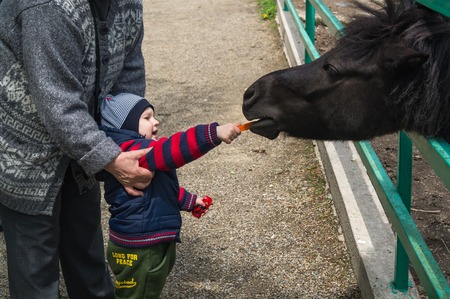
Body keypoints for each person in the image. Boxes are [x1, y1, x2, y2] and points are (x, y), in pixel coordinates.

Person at [0, 0, 153, 298]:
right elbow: (58, 102)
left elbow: (128, 74)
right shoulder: (46, 7)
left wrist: (127, 141)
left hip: (80, 148)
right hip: (22, 156)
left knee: (88, 262)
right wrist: (110, 158)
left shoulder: (127, 4)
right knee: (37, 278)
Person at [99, 93, 241, 298]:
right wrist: (213, 133)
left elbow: (161, 189)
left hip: (145, 243)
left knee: (144, 291)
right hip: (140, 247)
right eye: (147, 118)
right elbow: (174, 148)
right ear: (126, 126)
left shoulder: (131, 154)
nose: (155, 122)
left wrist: (189, 201)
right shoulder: (133, 151)